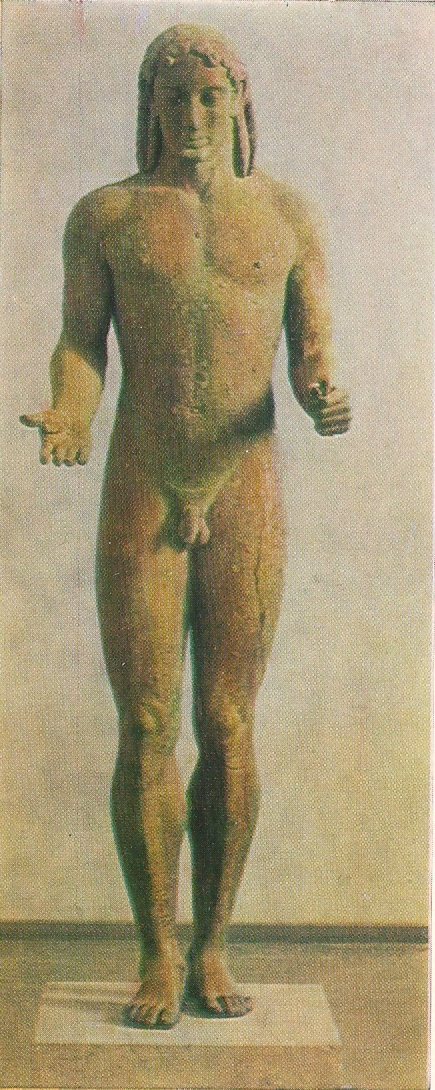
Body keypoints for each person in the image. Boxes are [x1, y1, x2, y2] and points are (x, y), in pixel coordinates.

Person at [21, 24, 351, 1027]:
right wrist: (71, 410)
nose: (194, 117)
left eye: (211, 97)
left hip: (245, 480)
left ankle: (213, 943)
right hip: (146, 480)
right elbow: (82, 342)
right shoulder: (108, 216)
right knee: (147, 722)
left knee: (228, 720)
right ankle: (155, 952)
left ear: (238, 103)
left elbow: (310, 343)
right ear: (151, 109)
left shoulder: (285, 214)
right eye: (175, 99)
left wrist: (321, 389)